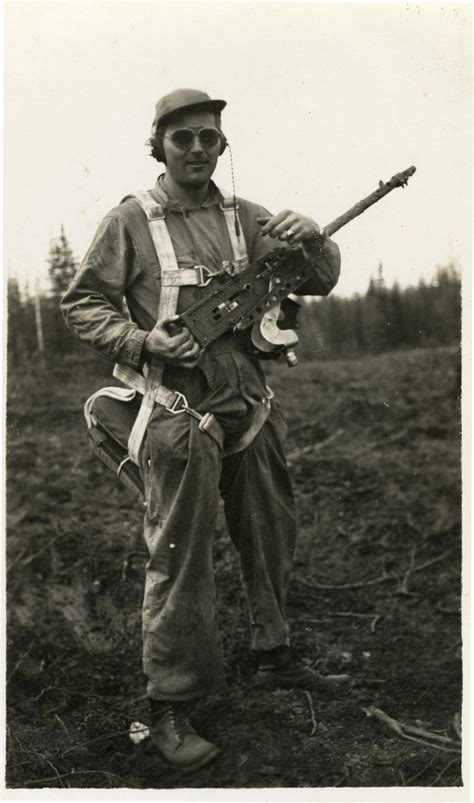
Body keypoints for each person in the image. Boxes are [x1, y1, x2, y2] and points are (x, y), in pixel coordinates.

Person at [61, 88, 345, 772]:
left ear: (222, 145)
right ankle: (171, 701)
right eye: (181, 137)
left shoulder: (249, 218)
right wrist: (140, 339)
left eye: (207, 138)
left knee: (272, 527)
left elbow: (320, 278)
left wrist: (312, 237)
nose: (195, 148)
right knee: (180, 554)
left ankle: (274, 652)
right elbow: (81, 301)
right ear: (157, 145)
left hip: (251, 408)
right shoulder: (131, 221)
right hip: (174, 416)